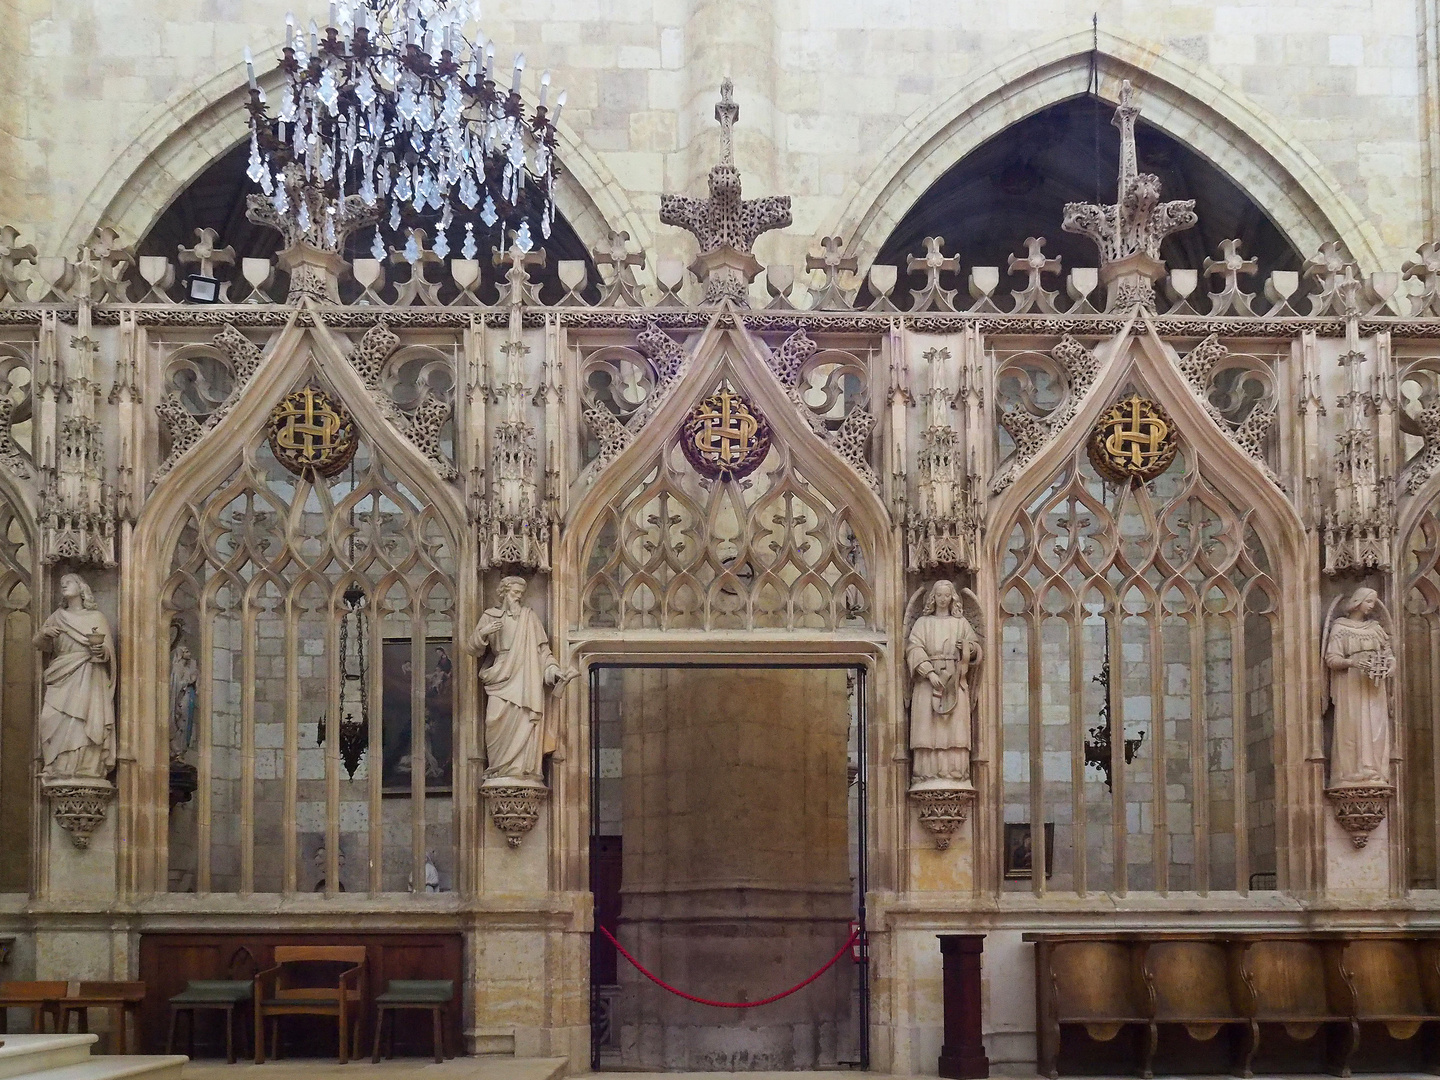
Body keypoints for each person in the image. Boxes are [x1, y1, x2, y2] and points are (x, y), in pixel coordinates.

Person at [470, 576, 571, 784]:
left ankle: (523, 771)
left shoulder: (529, 617)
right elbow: (472, 648)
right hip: (501, 672)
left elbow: (543, 651)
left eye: (520, 594)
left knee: (526, 720)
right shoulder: (490, 616)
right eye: (514, 593)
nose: (518, 598)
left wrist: (553, 671)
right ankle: (499, 770)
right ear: (504, 592)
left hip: (526, 676)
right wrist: (483, 633)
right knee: (493, 720)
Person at [35, 573, 116, 781]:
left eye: (69, 582)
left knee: (84, 720)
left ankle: (86, 768)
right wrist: (45, 633)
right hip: (61, 673)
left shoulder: (96, 618)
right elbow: (39, 645)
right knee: (49, 718)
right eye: (61, 583)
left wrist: (101, 652)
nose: (63, 584)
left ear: (82, 588)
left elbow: (108, 652)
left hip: (88, 674)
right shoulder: (56, 616)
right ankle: (55, 766)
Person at [907, 579, 982, 786]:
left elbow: (976, 647)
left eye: (946, 595)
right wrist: (929, 673)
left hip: (954, 679)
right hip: (927, 682)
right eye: (938, 595)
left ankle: (956, 772)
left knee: (954, 727)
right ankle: (926, 774)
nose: (942, 599)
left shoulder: (960, 623)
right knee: (927, 727)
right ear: (933, 597)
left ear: (952, 598)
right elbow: (913, 649)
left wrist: (968, 648)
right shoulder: (923, 623)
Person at [1325, 586, 1394, 788]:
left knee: (1375, 728)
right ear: (1358, 602)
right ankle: (1350, 773)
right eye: (1369, 601)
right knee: (1352, 727)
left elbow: (1389, 654)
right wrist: (1353, 663)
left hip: (1374, 687)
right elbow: (1331, 659)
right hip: (1350, 687)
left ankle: (1374, 771)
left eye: (1374, 602)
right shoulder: (1340, 628)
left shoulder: (1375, 629)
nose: (1372, 607)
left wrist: (1391, 665)